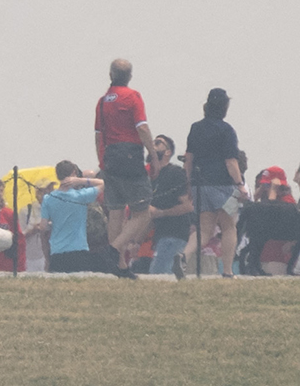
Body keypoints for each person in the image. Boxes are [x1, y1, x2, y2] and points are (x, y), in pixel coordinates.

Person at [185, 89, 245, 277]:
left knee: (204, 230)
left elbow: (188, 159)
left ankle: (183, 256)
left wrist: (189, 183)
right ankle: (227, 271)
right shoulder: (227, 130)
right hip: (222, 185)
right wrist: (240, 184)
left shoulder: (196, 128)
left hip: (199, 184)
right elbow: (231, 162)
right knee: (229, 227)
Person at [93, 58, 148, 256]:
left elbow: (98, 135)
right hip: (131, 157)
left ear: (110, 75)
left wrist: (101, 160)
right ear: (130, 76)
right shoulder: (133, 96)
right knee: (142, 211)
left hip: (110, 157)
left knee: (115, 211)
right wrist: (152, 152)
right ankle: (114, 250)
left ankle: (118, 263)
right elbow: (142, 127)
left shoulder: (102, 102)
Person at [124, 136, 193, 275]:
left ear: (168, 152)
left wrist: (162, 212)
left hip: (176, 234)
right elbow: (151, 215)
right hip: (161, 236)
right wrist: (136, 242)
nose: (152, 145)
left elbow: (189, 205)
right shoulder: (152, 178)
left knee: (159, 275)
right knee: (157, 274)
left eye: (158, 143)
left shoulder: (175, 173)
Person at [36, 161, 113, 273]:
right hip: (78, 249)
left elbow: (43, 227)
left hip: (57, 250)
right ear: (73, 173)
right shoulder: (81, 196)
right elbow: (104, 183)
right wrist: (81, 180)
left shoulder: (48, 198)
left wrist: (54, 225)